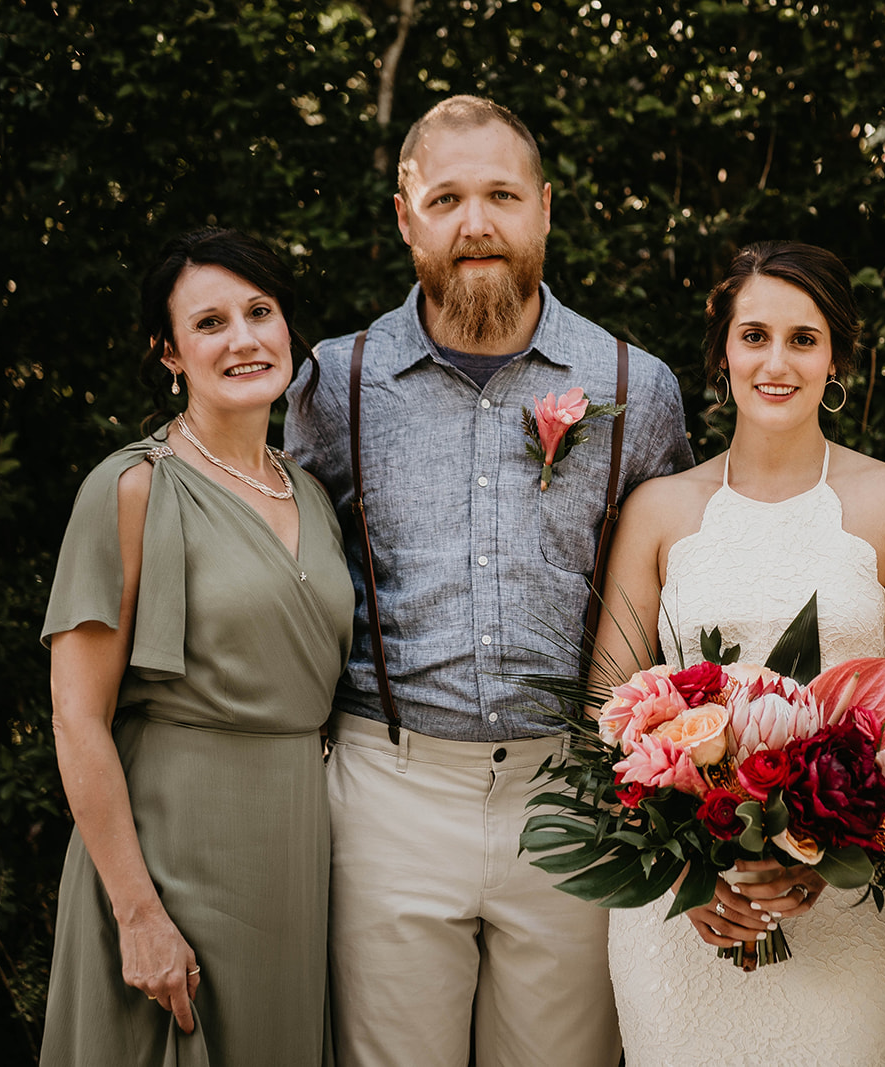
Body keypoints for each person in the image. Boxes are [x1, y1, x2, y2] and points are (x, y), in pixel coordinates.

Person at [283, 95, 692, 1067]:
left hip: (572, 791)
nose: (477, 224)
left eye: (502, 195)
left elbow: (676, 599)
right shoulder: (333, 383)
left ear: (544, 209)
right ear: (403, 216)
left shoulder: (633, 383)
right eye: (448, 198)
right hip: (388, 790)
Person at [595, 241, 885, 1066]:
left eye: (804, 337)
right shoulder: (661, 510)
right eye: (754, 335)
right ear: (723, 352)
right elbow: (605, 707)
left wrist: (836, 850)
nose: (777, 361)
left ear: (838, 358)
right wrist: (688, 876)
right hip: (683, 911)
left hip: (852, 905)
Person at [38, 227, 353, 1065]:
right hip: (169, 855)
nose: (244, 338)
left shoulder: (313, 492)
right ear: (169, 353)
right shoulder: (130, 488)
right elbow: (77, 717)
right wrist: (136, 912)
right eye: (210, 323)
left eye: (260, 311)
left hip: (293, 851)